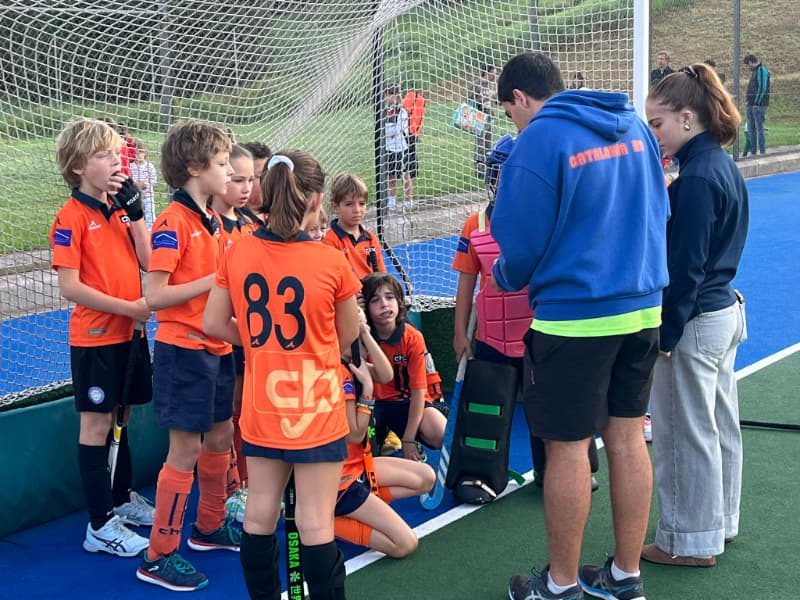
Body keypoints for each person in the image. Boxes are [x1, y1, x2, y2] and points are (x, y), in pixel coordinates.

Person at [492, 52, 669, 600]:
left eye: (508, 113)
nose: (513, 125)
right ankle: (624, 574)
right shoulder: (635, 125)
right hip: (643, 309)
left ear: (519, 98)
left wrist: (502, 273)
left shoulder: (539, 140)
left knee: (568, 447)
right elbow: (660, 208)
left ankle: (561, 585)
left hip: (575, 318)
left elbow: (516, 250)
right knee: (627, 436)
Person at [203, 150, 361, 600]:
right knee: (315, 522)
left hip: (263, 405)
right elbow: (346, 333)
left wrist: (256, 342)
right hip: (316, 406)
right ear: (315, 200)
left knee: (258, 517)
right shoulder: (331, 261)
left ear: (261, 192)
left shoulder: (236, 250)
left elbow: (214, 324)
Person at [451, 134, 600, 499]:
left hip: (539, 335)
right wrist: (459, 333)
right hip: (492, 341)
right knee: (486, 411)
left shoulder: (550, 219)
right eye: (500, 173)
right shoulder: (475, 226)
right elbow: (467, 283)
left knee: (550, 411)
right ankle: (479, 474)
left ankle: (561, 471)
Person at [642, 63, 749, 569]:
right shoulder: (721, 166)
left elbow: (685, 268)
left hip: (697, 319)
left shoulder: (700, 178)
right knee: (719, 427)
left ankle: (688, 540)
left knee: (685, 433)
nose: (653, 133)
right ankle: (719, 524)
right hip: (723, 311)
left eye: (657, 123)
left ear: (688, 118)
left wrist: (666, 332)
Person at [136, 119, 238, 592]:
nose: (228, 171)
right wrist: (219, 279)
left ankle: (210, 526)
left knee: (221, 436)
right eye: (221, 164)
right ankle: (159, 554)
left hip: (218, 347)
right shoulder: (172, 223)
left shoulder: (213, 220)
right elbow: (154, 295)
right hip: (184, 352)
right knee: (186, 450)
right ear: (196, 168)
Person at [50, 117, 154, 558]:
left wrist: (137, 216)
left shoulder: (119, 209)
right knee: (95, 425)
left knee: (122, 415)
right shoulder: (70, 217)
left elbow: (149, 262)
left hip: (130, 332)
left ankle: (120, 496)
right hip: (96, 337)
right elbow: (70, 286)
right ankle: (99, 523)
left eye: (116, 153)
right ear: (77, 166)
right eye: (103, 155)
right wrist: (128, 308)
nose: (116, 161)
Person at [334, 322, 435, 558]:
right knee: (405, 545)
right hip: (340, 480)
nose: (364, 343)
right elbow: (356, 434)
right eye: (357, 336)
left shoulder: (351, 363)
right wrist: (368, 391)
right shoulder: (338, 372)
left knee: (426, 477)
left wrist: (364, 331)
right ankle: (321, 520)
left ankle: (351, 507)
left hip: (358, 465)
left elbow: (386, 373)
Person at [208, 143, 260, 524]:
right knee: (224, 420)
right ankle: (228, 491)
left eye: (251, 180)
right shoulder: (208, 226)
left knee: (243, 416)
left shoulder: (251, 226)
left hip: (250, 336)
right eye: (236, 178)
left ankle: (246, 484)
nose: (244, 187)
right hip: (219, 338)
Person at [362, 272, 447, 463]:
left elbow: (418, 392)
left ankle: (405, 437)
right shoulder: (359, 335)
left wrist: (408, 439)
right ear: (364, 308)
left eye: (390, 297)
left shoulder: (412, 337)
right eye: (375, 300)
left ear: (399, 301)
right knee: (365, 457)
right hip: (371, 405)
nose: (384, 304)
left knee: (441, 433)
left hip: (405, 402)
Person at [323, 173, 387, 279]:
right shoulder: (330, 241)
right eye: (349, 204)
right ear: (335, 207)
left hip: (372, 293)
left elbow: (383, 276)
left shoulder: (371, 238)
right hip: (347, 294)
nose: (357, 210)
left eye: (361, 204)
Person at [382, 84, 412, 211]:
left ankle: (408, 202)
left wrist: (391, 131)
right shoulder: (383, 112)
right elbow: (383, 131)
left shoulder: (402, 111)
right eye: (388, 94)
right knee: (391, 177)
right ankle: (391, 203)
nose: (390, 97)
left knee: (405, 176)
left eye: (393, 94)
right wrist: (390, 131)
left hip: (401, 148)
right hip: (389, 148)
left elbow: (399, 129)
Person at [470, 64, 498, 179]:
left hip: (489, 118)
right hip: (480, 118)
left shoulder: (490, 86)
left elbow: (494, 102)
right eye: (494, 73)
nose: (495, 75)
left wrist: (496, 97)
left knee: (488, 144)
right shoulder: (477, 84)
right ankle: (479, 170)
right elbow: (471, 101)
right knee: (480, 145)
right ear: (488, 73)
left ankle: (487, 168)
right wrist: (483, 100)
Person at [743, 54, 770, 156]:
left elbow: (762, 88)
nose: (748, 67)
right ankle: (753, 151)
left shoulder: (762, 70)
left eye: (747, 65)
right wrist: (748, 101)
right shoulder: (755, 72)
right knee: (751, 129)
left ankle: (762, 151)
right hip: (750, 104)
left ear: (751, 62)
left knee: (759, 128)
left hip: (759, 105)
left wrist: (757, 102)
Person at [239, 141, 272, 223]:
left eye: (271, 176)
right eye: (261, 176)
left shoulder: (278, 215)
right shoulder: (237, 221)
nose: (269, 182)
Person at [130, 140, 157, 229]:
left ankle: (150, 229)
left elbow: (153, 179)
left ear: (145, 153)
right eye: (136, 153)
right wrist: (134, 184)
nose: (138, 155)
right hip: (135, 195)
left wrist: (146, 185)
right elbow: (129, 178)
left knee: (150, 213)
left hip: (148, 195)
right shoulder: (131, 166)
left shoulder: (149, 166)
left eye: (141, 152)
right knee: (136, 212)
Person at [401, 89, 426, 182]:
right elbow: (421, 117)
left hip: (409, 129)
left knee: (408, 151)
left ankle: (409, 170)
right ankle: (413, 171)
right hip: (414, 129)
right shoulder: (421, 99)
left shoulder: (411, 97)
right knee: (412, 150)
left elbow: (404, 110)